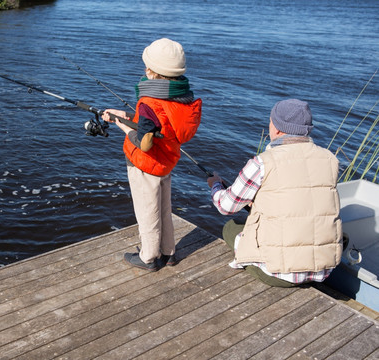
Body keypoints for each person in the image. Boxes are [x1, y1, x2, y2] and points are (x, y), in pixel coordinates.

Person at [207, 99, 343, 287]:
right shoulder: (330, 160)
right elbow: (305, 198)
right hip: (323, 269)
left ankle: (257, 266)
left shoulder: (262, 162)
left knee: (231, 227)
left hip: (279, 274)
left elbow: (225, 206)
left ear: (277, 129)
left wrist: (215, 186)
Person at [103, 38, 202, 272]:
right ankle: (168, 253)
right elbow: (160, 125)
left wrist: (121, 125)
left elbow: (145, 142)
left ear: (150, 70)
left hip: (146, 165)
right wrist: (125, 114)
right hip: (167, 162)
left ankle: (148, 257)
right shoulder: (182, 98)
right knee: (163, 209)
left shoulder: (149, 102)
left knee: (148, 211)